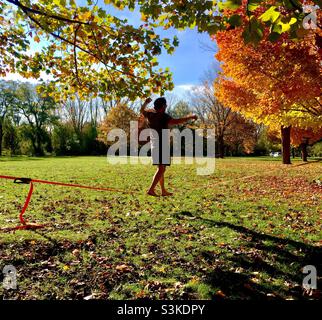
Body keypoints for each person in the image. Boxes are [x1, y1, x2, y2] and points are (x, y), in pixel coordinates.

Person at [140, 97, 198, 196]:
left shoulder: (150, 115)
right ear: (162, 106)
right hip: (162, 144)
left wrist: (145, 103)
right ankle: (151, 189)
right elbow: (176, 121)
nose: (166, 106)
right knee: (162, 169)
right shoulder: (163, 116)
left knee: (161, 168)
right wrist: (190, 117)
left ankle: (163, 190)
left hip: (155, 144)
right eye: (165, 104)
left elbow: (142, 110)